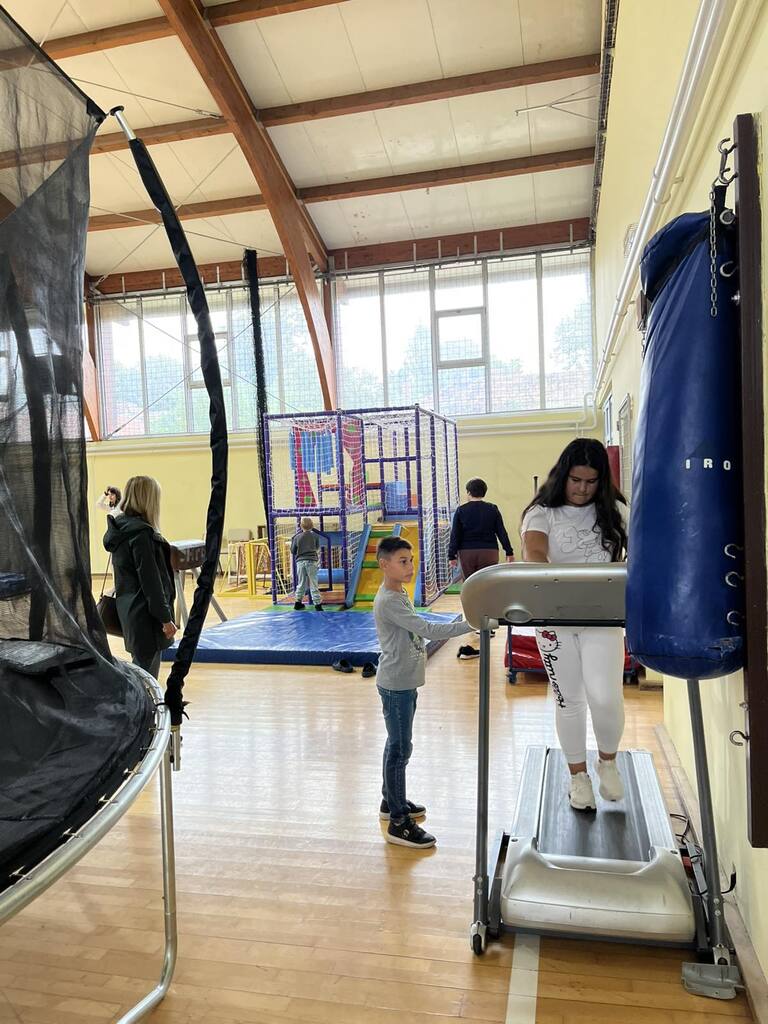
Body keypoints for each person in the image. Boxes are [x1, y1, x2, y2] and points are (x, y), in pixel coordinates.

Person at [520, 438, 628, 811]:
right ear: (563, 475)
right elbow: (534, 551)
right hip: (556, 619)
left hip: (602, 617)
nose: (582, 489)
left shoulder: (615, 511)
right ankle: (578, 777)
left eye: (591, 481)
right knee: (569, 700)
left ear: (601, 481)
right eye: (576, 480)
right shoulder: (541, 512)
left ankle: (608, 763)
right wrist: (542, 573)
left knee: (605, 696)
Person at [373, 536, 479, 849]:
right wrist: (470, 624)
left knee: (396, 744)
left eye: (411, 560)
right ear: (384, 565)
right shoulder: (389, 601)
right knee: (400, 749)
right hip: (396, 684)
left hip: (404, 681)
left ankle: (390, 800)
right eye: (403, 561)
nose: (410, 567)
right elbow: (427, 630)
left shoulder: (399, 592)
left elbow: (419, 627)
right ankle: (398, 822)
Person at [104, 476, 177, 678]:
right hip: (146, 615)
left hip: (130, 611)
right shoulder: (141, 534)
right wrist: (165, 618)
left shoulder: (121, 529)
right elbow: (151, 582)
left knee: (142, 671)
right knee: (146, 678)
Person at [449, 478, 514, 660]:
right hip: (489, 551)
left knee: (471, 589)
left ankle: (475, 623)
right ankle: (489, 626)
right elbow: (501, 531)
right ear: (484, 492)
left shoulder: (461, 510)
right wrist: (509, 551)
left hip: (467, 552)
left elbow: (455, 534)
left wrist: (451, 555)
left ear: (468, 492)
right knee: (488, 589)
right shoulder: (492, 509)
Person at [291, 516, 323, 611]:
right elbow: (317, 547)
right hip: (312, 561)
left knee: (301, 583)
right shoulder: (315, 536)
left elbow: (293, 550)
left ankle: (298, 602)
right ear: (312, 526)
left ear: (301, 526)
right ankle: (317, 604)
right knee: (313, 582)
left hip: (300, 562)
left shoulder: (297, 537)